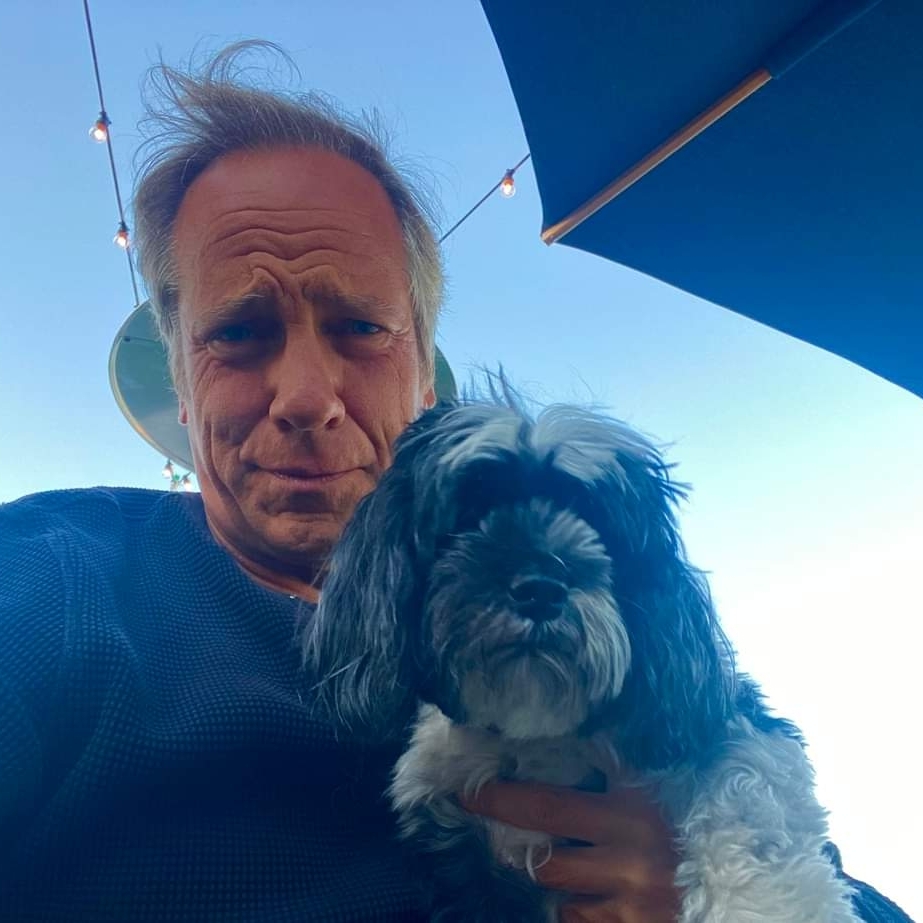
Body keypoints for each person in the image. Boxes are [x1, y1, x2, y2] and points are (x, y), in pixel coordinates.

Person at [0, 42, 912, 923]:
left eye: (360, 327)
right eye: (239, 332)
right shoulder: (53, 582)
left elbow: (834, 884)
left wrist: (692, 884)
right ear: (180, 375)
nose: (306, 396)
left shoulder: (637, 680)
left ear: (424, 380)